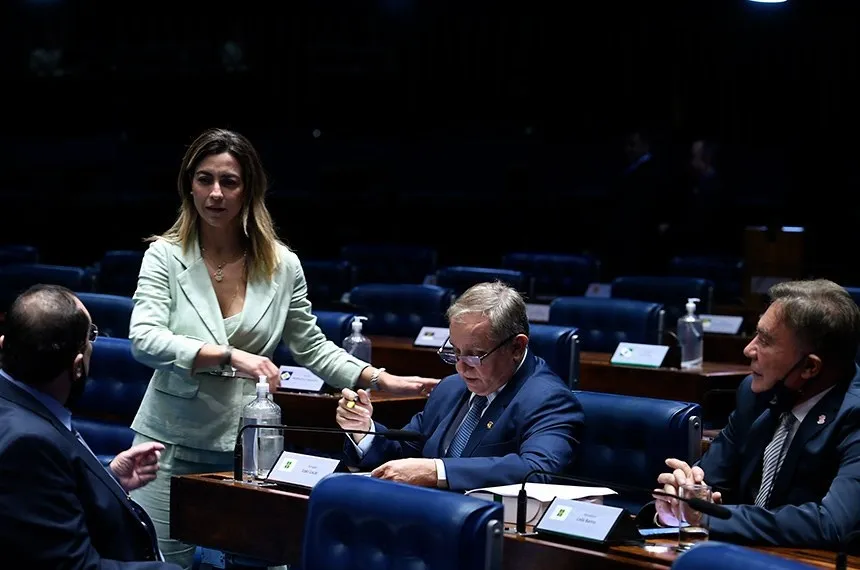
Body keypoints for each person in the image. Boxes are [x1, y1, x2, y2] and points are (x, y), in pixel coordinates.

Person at [128, 127, 438, 568]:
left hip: (249, 443)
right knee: (160, 563)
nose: (215, 193)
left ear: (249, 189)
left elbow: (312, 345)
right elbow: (145, 338)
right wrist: (229, 355)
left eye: (228, 182)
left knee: (266, 560)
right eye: (204, 179)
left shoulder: (281, 264)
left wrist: (381, 379)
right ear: (188, 185)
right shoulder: (164, 255)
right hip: (169, 443)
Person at [651, 279, 860, 548]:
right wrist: (680, 497)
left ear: (809, 367)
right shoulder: (754, 394)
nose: (748, 349)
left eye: (765, 340)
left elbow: (831, 525)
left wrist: (706, 516)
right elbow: (708, 480)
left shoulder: (853, 415)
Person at [336, 281, 584, 491]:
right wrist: (364, 430)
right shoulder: (451, 388)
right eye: (455, 352)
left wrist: (436, 471)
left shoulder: (548, 399)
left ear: (516, 348)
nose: (461, 368)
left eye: (475, 356)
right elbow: (406, 453)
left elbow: (538, 470)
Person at [0, 284, 179, 569]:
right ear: (78, 366)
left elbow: (43, 501)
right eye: (91, 335)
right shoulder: (28, 443)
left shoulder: (21, 410)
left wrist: (108, 480)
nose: (93, 341)